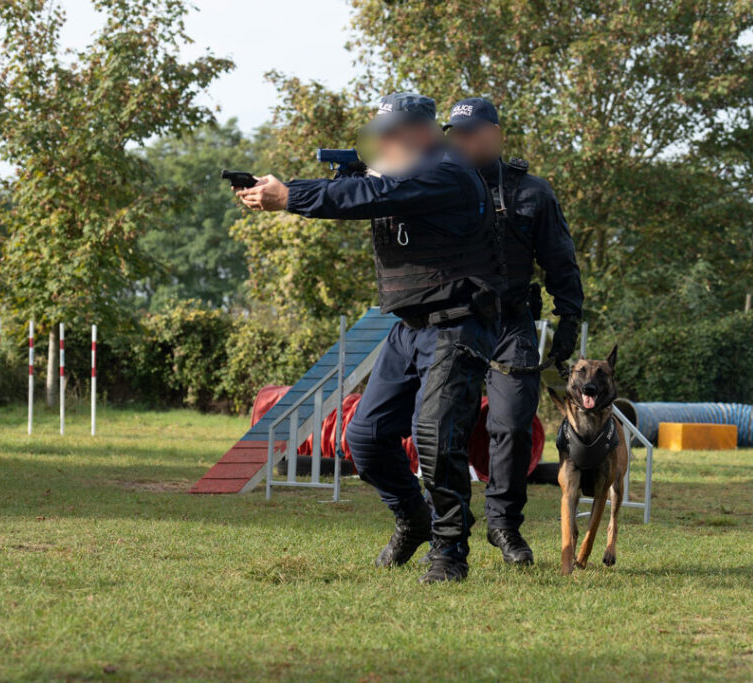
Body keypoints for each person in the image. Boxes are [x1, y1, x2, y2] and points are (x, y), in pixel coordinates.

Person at [236, 92, 505, 584]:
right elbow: (369, 189)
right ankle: (414, 517)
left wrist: (291, 197)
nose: (381, 146)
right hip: (409, 328)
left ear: (421, 133)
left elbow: (371, 197)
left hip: (458, 322)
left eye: (390, 136)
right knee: (365, 437)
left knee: (436, 437)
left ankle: (449, 551)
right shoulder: (404, 173)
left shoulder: (447, 171)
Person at [443, 97, 584, 565]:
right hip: (455, 324)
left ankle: (504, 527)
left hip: (512, 325)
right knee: (445, 426)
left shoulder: (532, 192)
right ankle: (448, 529)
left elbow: (560, 260)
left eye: (472, 132)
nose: (462, 141)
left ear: (496, 134)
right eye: (455, 133)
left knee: (512, 425)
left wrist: (569, 320)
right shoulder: (434, 185)